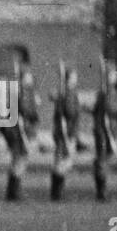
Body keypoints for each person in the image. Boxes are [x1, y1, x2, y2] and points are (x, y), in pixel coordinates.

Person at [0, 61, 38, 201]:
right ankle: (13, 193)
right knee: (19, 160)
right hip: (19, 131)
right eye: (27, 75)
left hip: (22, 130)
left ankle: (13, 191)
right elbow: (25, 110)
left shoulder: (26, 91)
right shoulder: (21, 92)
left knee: (19, 160)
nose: (30, 78)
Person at [50, 64, 81, 202]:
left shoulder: (69, 93)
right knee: (63, 160)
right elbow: (68, 112)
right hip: (65, 132)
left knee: (65, 160)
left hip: (70, 131)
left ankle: (57, 190)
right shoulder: (66, 93)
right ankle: (56, 192)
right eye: (73, 78)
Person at [92, 58, 117, 202]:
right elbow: (108, 113)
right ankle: (101, 192)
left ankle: (102, 190)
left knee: (103, 160)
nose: (116, 75)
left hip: (104, 131)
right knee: (103, 160)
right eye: (114, 73)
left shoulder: (108, 91)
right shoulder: (107, 92)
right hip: (105, 132)